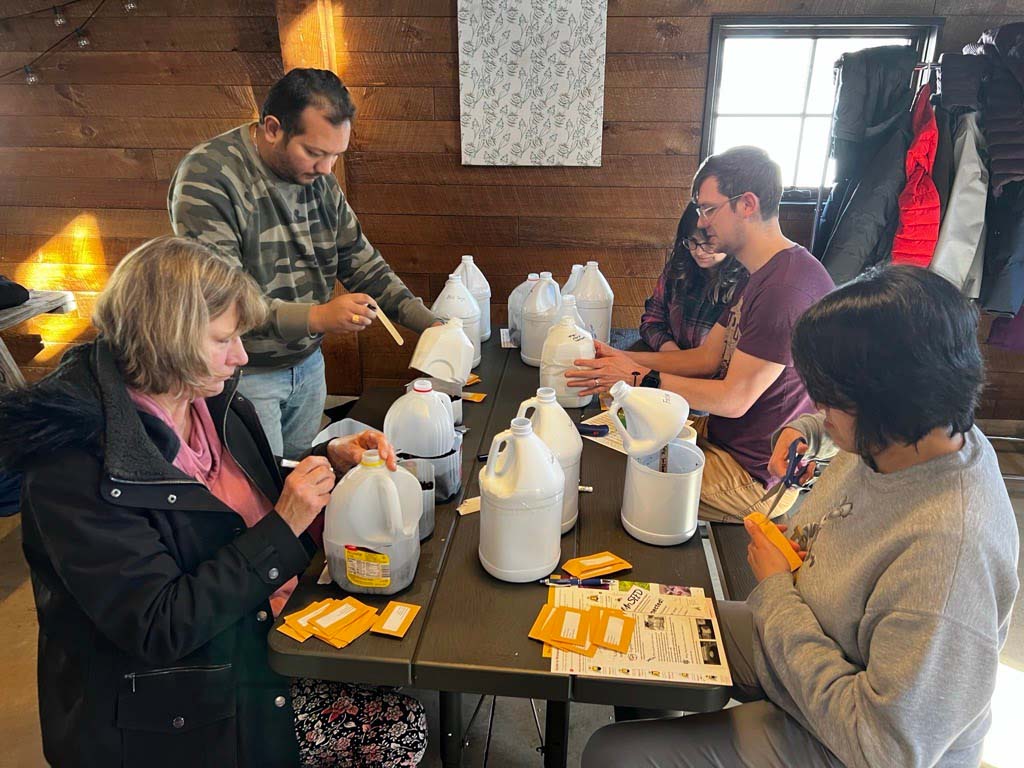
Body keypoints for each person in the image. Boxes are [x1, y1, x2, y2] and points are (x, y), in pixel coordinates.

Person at [0, 238, 427, 768]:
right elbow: (160, 626)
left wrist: (325, 461)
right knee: (397, 727)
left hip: (253, 635)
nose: (242, 356)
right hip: (171, 704)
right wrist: (284, 525)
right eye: (224, 339)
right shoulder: (77, 468)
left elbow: (231, 507)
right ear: (166, 342)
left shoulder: (208, 398)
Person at [582, 266, 1019, 768]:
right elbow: (839, 428)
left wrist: (773, 590)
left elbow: (881, 747)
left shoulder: (949, 555)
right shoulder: (920, 428)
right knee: (635, 638)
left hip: (849, 738)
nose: (815, 404)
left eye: (828, 398)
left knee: (613, 755)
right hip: (809, 630)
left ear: (883, 402)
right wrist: (806, 432)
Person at [169, 68, 440, 460]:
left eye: (335, 155)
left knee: (304, 471)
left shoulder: (320, 177)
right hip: (242, 372)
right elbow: (219, 299)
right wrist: (317, 317)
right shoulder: (209, 177)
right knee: (262, 489)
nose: (327, 169)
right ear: (273, 128)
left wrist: (428, 322)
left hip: (308, 363)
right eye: (314, 153)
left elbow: (360, 259)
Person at [568, 146, 835, 521]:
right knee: (607, 434)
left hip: (752, 474)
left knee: (611, 482)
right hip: (724, 435)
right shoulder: (763, 272)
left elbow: (734, 399)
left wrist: (638, 377)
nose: (702, 222)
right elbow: (706, 358)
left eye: (709, 209)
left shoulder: (785, 290)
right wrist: (618, 355)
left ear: (747, 204)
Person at [639, 201, 747, 353]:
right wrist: (674, 355)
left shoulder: (745, 283)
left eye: (709, 244)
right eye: (692, 241)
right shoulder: (678, 268)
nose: (699, 252)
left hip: (718, 373)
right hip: (674, 362)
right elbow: (651, 321)